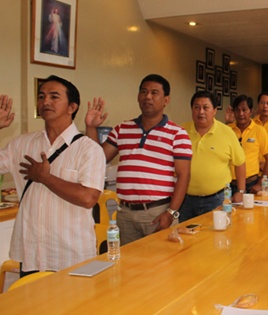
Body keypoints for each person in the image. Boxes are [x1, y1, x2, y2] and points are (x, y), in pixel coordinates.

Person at [0, 76, 105, 276]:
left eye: (54, 97)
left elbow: (88, 198)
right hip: (31, 253)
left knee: (73, 308)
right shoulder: (22, 144)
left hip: (71, 255)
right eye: (41, 97)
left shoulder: (88, 149)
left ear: (71, 107)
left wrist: (46, 178)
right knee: (33, 307)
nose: (45, 102)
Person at [86, 74, 192, 245]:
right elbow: (98, 158)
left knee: (161, 266)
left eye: (154, 93)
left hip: (157, 213)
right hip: (125, 214)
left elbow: (184, 176)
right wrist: (91, 128)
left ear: (166, 100)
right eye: (144, 91)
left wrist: (171, 213)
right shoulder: (122, 129)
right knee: (128, 267)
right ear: (138, 96)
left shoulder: (177, 134)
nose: (148, 96)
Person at [179, 91, 246, 222]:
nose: (201, 112)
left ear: (215, 110)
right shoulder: (181, 131)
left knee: (216, 237)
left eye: (206, 107)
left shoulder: (227, 132)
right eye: (196, 107)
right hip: (185, 199)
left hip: (217, 198)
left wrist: (241, 191)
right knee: (186, 237)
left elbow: (240, 163)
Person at [228, 95, 268, 193]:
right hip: (229, 184)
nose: (241, 114)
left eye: (244, 110)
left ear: (251, 111)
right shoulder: (227, 130)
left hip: (251, 184)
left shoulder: (259, 130)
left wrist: (260, 182)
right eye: (237, 110)